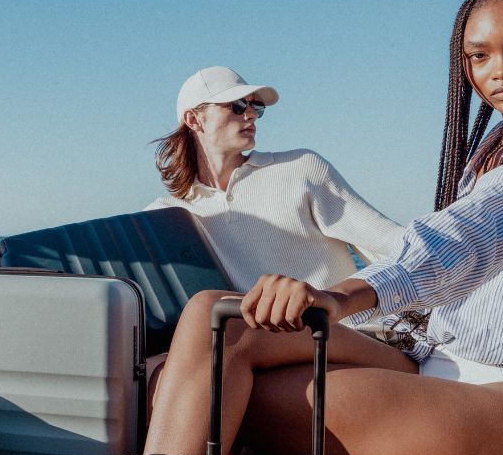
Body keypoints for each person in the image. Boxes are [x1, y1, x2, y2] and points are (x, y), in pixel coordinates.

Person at [145, 0, 503, 455]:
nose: (500, 71)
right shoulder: (487, 150)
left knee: (221, 395)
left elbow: (484, 227)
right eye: (479, 57)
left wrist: (340, 296)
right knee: (213, 318)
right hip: (433, 361)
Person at [148, 66, 403, 292]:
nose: (251, 115)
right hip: (255, 341)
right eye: (237, 105)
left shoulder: (301, 168)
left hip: (338, 334)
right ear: (194, 120)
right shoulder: (170, 215)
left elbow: (392, 244)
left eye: (255, 106)